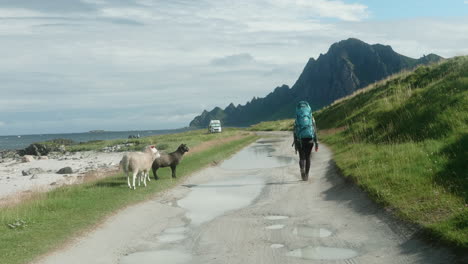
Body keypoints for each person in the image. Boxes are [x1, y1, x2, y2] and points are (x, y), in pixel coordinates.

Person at [293, 101, 318, 181]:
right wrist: (316, 142)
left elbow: (295, 132)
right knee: (308, 157)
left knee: (301, 157)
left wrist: (296, 144)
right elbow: (315, 131)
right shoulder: (311, 118)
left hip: (300, 139)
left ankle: (302, 171)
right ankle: (306, 176)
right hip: (310, 139)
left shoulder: (297, 119)